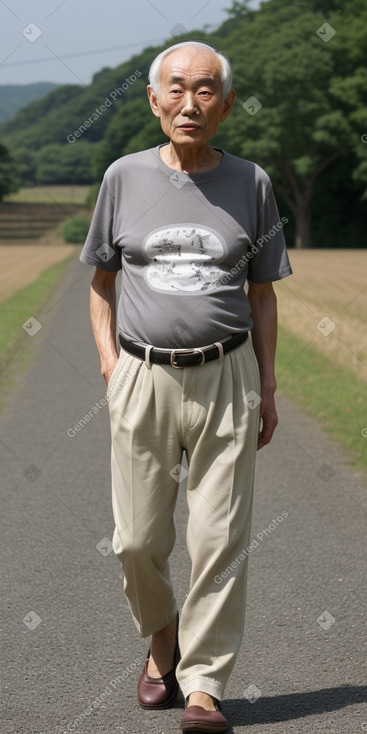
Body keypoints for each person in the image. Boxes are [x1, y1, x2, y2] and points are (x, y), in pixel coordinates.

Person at [80, 40, 292, 733]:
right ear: (152, 99)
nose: (188, 103)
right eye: (175, 89)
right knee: (136, 540)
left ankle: (203, 684)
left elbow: (261, 293)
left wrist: (265, 379)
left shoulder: (250, 183)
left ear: (225, 105)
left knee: (219, 536)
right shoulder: (122, 178)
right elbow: (102, 284)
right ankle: (161, 633)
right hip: (141, 374)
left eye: (205, 91)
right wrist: (113, 367)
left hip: (227, 373)